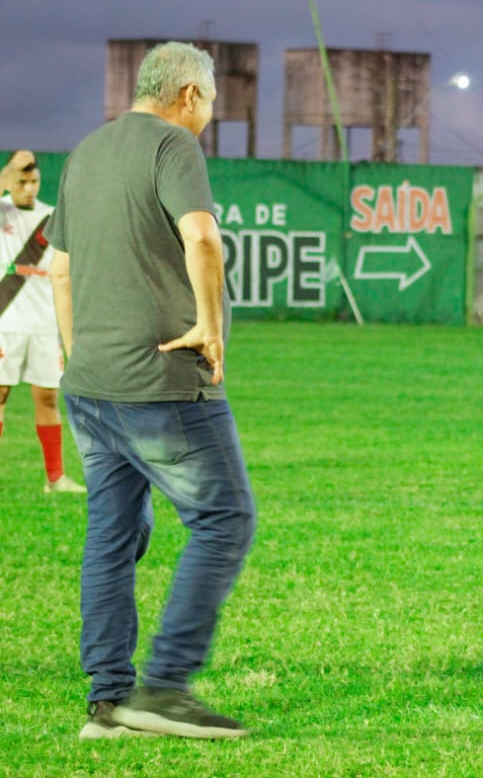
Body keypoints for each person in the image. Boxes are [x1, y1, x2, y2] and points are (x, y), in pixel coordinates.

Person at [47, 41, 257, 740]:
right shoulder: (174, 145)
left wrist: (83, 357)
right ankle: (164, 687)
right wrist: (209, 322)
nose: (211, 112)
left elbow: (60, 271)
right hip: (160, 381)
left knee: (110, 536)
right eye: (213, 99)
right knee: (225, 517)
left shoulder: (85, 152)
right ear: (189, 95)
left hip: (91, 386)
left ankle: (107, 703)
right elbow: (202, 238)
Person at [0, 151, 86, 493]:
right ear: (10, 181)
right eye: (22, 182)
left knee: (48, 397)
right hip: (5, 321)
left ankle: (55, 478)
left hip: (43, 323)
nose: (29, 188)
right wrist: (8, 171)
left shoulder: (51, 216)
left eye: (34, 181)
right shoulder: (3, 210)